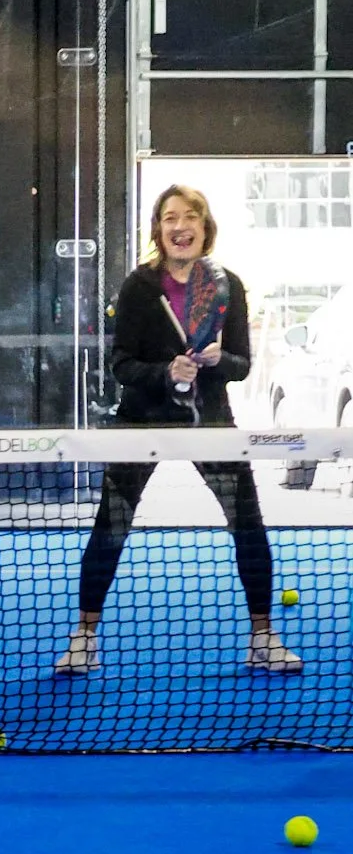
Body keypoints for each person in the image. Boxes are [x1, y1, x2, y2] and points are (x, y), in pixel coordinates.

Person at [57, 184, 301, 676]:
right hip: (142, 422)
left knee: (248, 524)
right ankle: (83, 639)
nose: (179, 226)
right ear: (159, 228)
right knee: (111, 527)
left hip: (210, 422)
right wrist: (164, 373)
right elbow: (122, 364)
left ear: (204, 227)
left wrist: (216, 361)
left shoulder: (226, 284)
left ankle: (263, 637)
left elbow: (242, 365)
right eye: (170, 217)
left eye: (190, 216)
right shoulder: (138, 287)